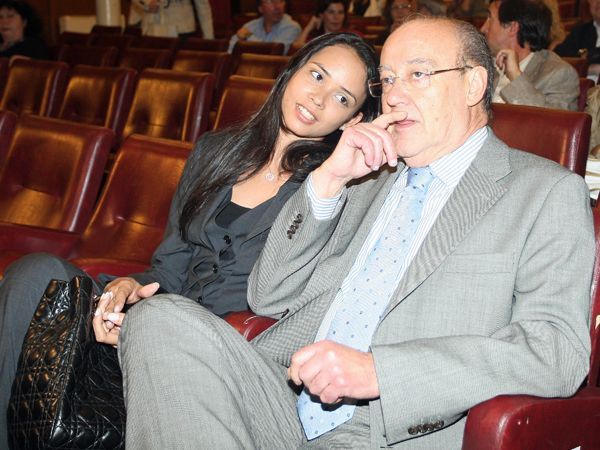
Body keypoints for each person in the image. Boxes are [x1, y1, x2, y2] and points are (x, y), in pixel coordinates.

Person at [118, 15, 593, 449]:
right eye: (388, 80)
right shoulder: (368, 178)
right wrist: (327, 182)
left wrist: (380, 373)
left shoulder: (542, 193)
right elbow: (269, 296)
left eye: (417, 74)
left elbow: (556, 350)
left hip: (386, 424)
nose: (395, 95)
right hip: (277, 393)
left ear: (474, 84)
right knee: (156, 317)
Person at [0, 31, 379, 450]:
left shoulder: (329, 192)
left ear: (352, 120)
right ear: (292, 72)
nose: (319, 98)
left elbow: (289, 302)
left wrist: (152, 322)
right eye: (317, 75)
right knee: (36, 273)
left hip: (223, 346)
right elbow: (168, 267)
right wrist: (129, 287)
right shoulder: (215, 150)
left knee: (151, 320)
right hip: (155, 313)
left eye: (342, 98)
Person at [481, 0, 579, 110]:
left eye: (490, 18)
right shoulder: (484, 65)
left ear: (512, 27)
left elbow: (550, 119)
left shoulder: (558, 74)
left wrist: (515, 76)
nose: (483, 29)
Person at [228, 0, 301, 55]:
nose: (278, 7)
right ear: (260, 8)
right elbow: (231, 50)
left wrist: (248, 37)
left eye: (281, 1)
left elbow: (275, 52)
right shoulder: (250, 26)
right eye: (271, 1)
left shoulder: (292, 27)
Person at [555, 0, 600, 79]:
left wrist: (587, 54)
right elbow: (560, 54)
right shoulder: (580, 31)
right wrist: (589, 68)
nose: (598, 2)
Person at [128, 0, 214, 38]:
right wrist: (147, 3)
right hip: (152, 26)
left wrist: (208, 37)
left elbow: (203, 7)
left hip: (182, 29)